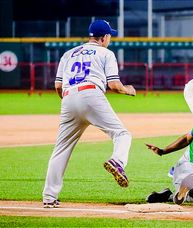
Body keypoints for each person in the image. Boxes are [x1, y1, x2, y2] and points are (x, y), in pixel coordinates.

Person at [42, 19, 136, 208]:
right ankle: (117, 161)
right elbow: (114, 85)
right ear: (105, 37)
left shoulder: (68, 54)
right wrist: (128, 90)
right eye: (110, 35)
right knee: (122, 134)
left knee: (61, 149)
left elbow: (58, 86)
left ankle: (49, 197)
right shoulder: (105, 53)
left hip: (68, 98)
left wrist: (71, 102)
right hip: (91, 93)